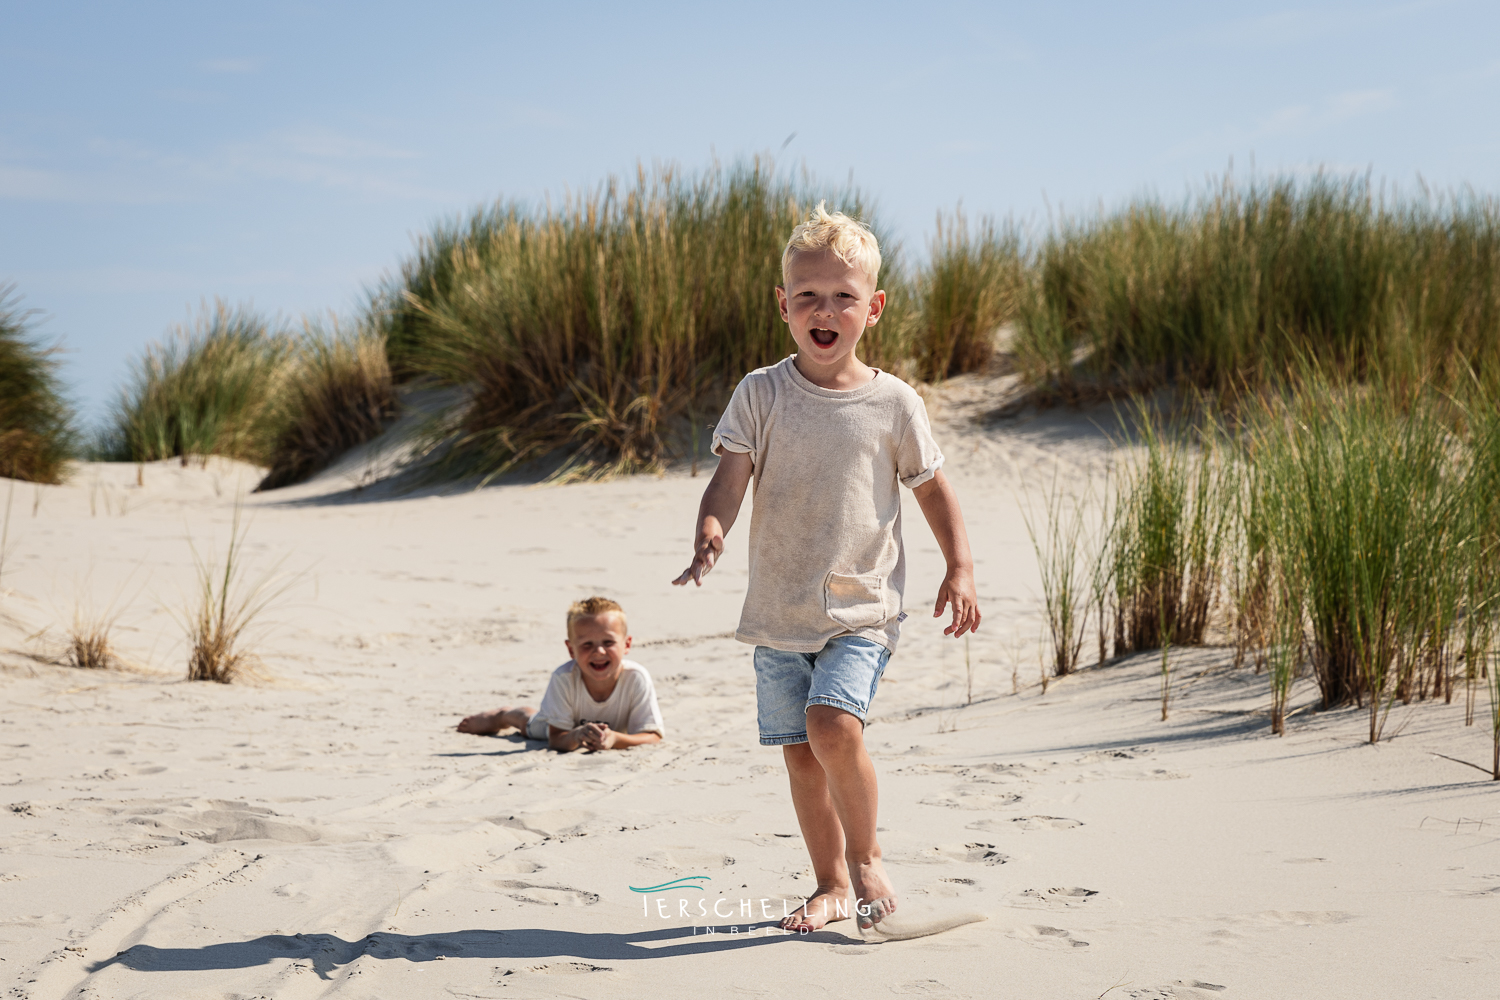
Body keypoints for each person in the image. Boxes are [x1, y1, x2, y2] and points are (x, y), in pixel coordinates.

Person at [672, 203, 981, 933]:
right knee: (802, 760)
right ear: (784, 307)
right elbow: (730, 478)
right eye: (807, 295)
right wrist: (711, 530)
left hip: (860, 611)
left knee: (831, 724)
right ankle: (830, 883)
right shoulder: (761, 392)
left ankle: (868, 857)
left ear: (871, 309)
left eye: (843, 296)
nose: (825, 309)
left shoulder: (894, 403)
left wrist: (959, 568)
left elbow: (934, 489)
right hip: (779, 615)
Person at [457, 597, 664, 751]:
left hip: (611, 732)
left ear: (627, 644)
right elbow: (556, 739)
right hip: (560, 727)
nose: (599, 652)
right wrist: (576, 736)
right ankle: (503, 715)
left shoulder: (636, 678)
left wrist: (614, 739)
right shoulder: (564, 678)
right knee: (529, 724)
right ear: (571, 649)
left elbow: (652, 737)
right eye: (587, 644)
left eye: (608, 642)